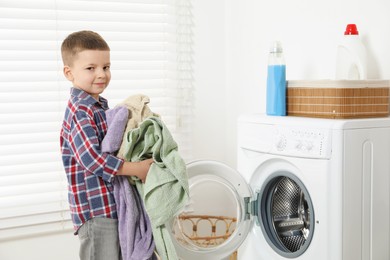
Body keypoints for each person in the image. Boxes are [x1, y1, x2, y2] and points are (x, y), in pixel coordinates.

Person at [60, 30, 153, 260]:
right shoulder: (81, 111)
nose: (101, 74)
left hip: (110, 208)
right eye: (91, 68)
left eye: (106, 67)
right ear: (69, 73)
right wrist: (136, 169)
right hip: (95, 211)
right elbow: (91, 159)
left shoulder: (98, 106)